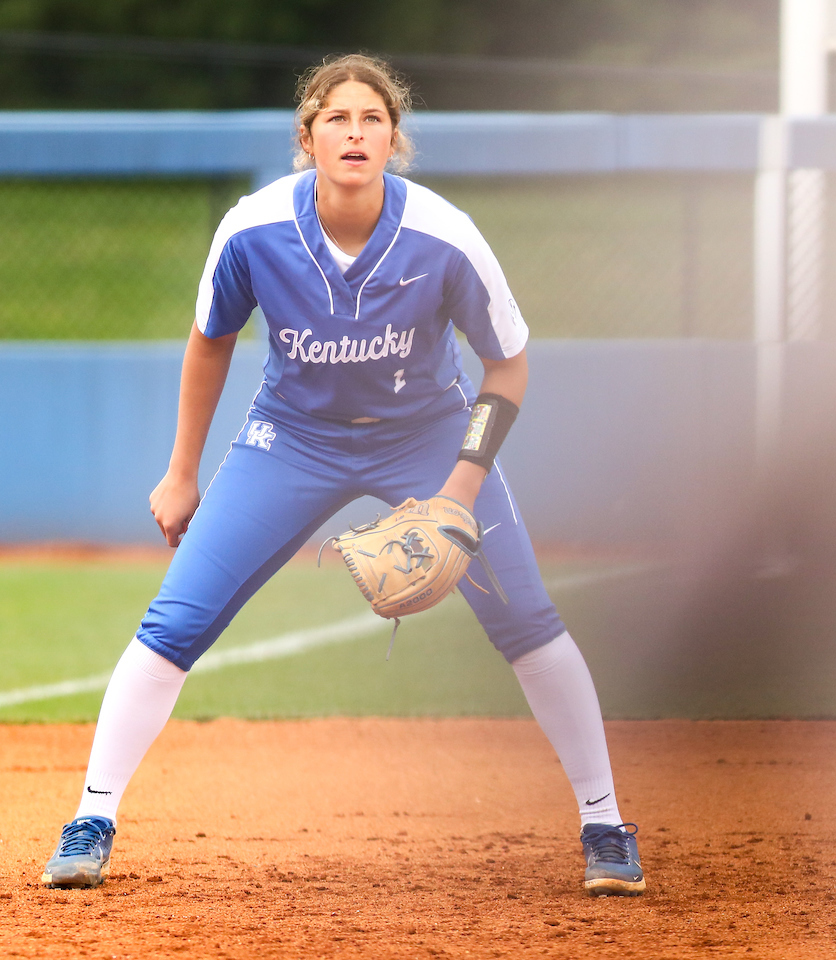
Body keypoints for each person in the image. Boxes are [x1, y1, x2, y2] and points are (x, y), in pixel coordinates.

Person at [41, 54, 645, 898]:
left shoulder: (444, 235)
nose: (354, 131)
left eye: (371, 118)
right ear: (308, 138)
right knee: (177, 618)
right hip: (290, 438)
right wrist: (181, 474)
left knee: (529, 620)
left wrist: (461, 489)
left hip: (429, 436)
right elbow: (210, 339)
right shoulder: (253, 228)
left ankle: (606, 824)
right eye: (337, 117)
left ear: (394, 139)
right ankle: (90, 818)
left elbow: (508, 367)